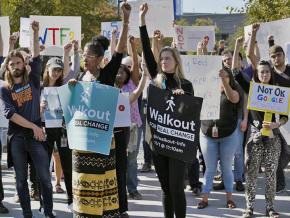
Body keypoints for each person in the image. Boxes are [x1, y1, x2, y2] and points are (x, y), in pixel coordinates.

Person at [68, 2, 131, 217]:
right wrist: (71, 90)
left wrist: (126, 21)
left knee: (102, 180)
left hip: (103, 139)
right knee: (83, 180)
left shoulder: (106, 75)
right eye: (83, 55)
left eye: (88, 55)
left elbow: (120, 50)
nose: (84, 58)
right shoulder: (78, 78)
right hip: (82, 141)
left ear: (99, 59)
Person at [139, 3, 194, 217]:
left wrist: (183, 99)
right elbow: (145, 47)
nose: (163, 62)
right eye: (161, 59)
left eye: (167, 58)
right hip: (159, 142)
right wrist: (142, 20)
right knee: (165, 189)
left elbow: (191, 113)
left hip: (178, 143)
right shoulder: (157, 80)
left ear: (175, 61)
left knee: (177, 188)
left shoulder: (186, 84)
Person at [0, 21, 54, 218]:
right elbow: (10, 114)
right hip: (17, 138)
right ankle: (27, 214)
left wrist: (36, 31)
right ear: (7, 67)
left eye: (19, 63)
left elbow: (37, 55)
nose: (15, 66)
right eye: (11, 63)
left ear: (24, 65)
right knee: (21, 181)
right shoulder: (5, 88)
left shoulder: (33, 80)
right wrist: (34, 126)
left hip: (36, 137)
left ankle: (48, 212)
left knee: (45, 178)